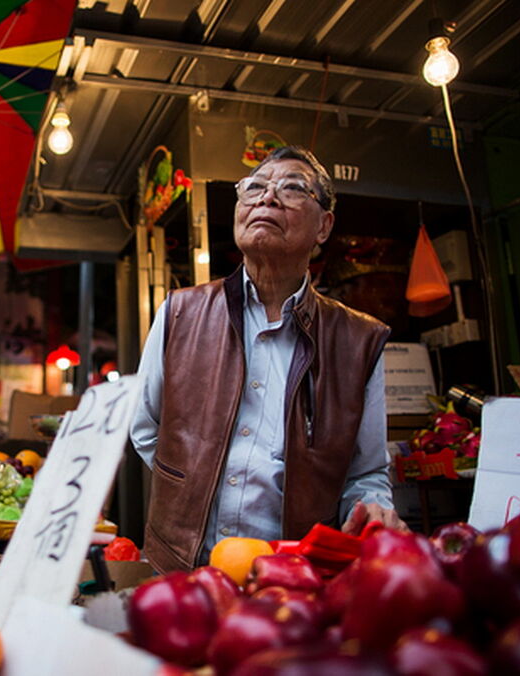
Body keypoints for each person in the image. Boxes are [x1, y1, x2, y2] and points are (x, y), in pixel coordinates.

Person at [130, 146, 406, 574]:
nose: (267, 198)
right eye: (255, 187)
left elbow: (365, 472)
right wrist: (189, 484)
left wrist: (372, 512)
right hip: (180, 569)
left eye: (292, 188)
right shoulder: (180, 313)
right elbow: (146, 427)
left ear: (324, 226)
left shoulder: (358, 341)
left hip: (294, 579)